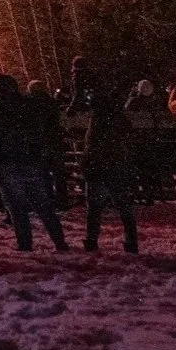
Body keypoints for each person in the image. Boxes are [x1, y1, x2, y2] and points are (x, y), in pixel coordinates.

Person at [0, 74, 67, 251]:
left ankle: (25, 243)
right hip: (29, 160)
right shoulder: (29, 107)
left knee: (16, 204)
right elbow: (38, 133)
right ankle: (59, 240)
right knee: (42, 203)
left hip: (6, 162)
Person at [69, 60, 140, 254]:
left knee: (94, 206)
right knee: (123, 205)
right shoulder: (119, 118)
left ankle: (91, 241)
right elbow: (127, 137)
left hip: (98, 164)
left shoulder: (98, 119)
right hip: (115, 162)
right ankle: (131, 242)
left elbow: (92, 143)